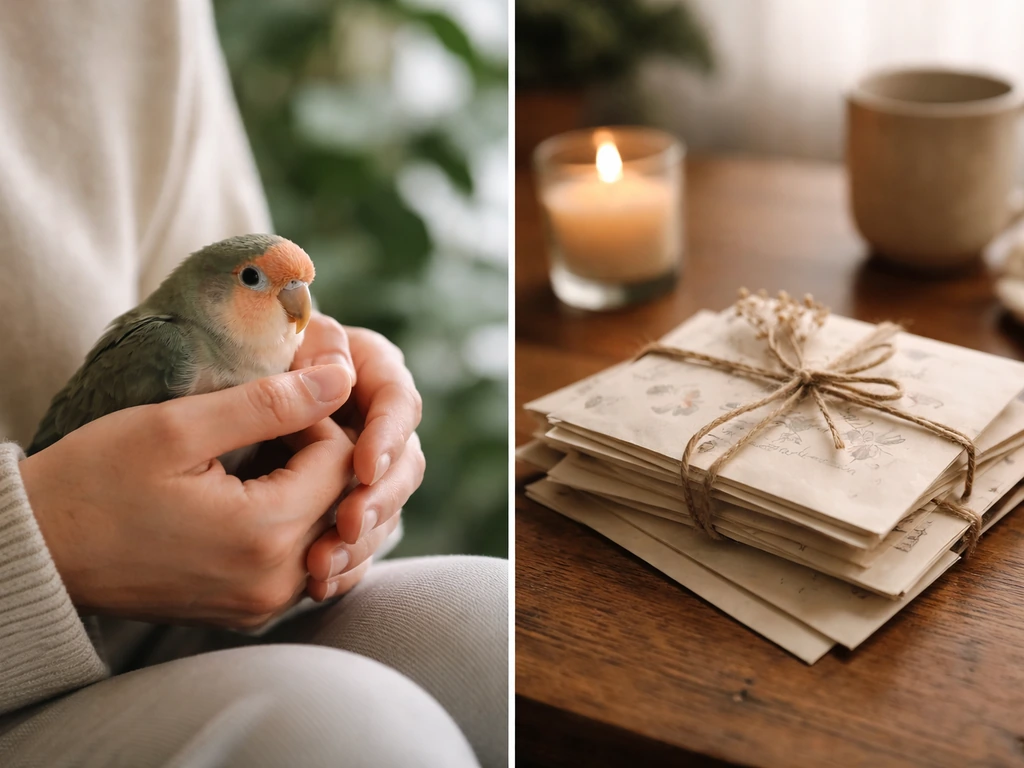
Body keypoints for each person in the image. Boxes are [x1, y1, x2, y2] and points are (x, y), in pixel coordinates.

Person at [0, 2, 508, 767]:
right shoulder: (162, 353)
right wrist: (49, 538)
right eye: (256, 283)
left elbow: (223, 271)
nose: (293, 302)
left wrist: (341, 457)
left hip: (180, 626)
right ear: (214, 295)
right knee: (353, 729)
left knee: (494, 621)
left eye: (294, 287)